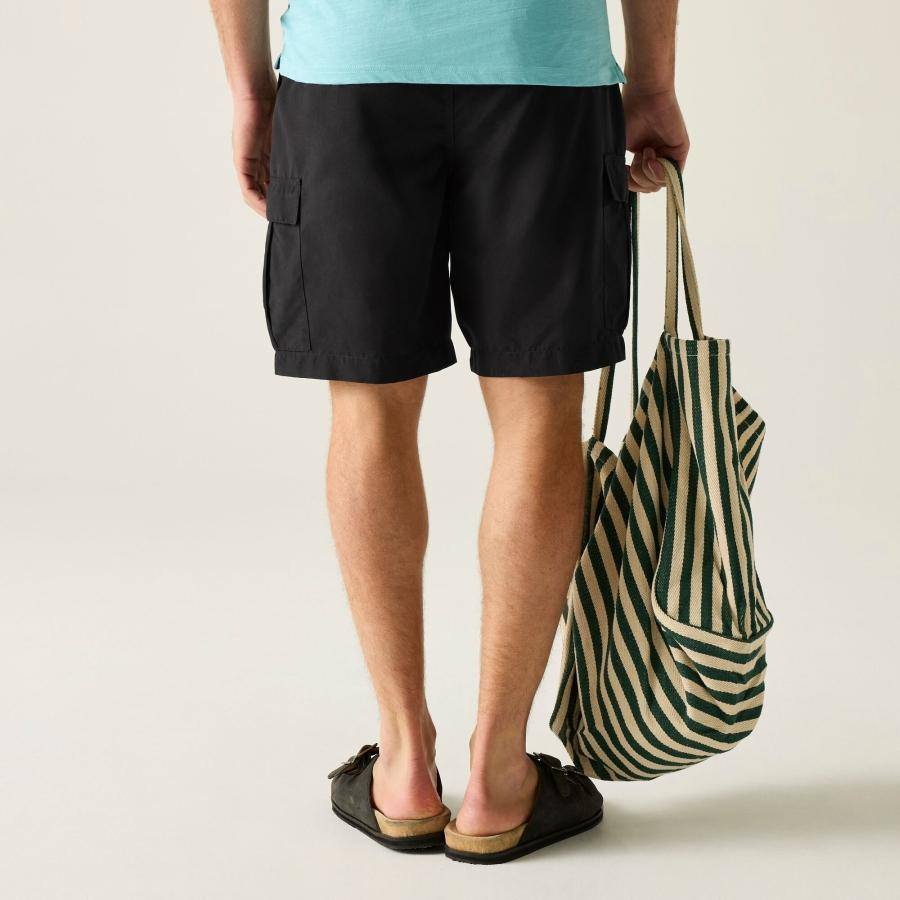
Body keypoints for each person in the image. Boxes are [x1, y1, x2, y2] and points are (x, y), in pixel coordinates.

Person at [210, 0, 688, 863]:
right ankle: (500, 775)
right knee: (540, 410)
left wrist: (251, 93)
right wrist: (652, 83)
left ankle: (403, 768)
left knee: (368, 408)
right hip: (543, 68)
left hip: (349, 72)